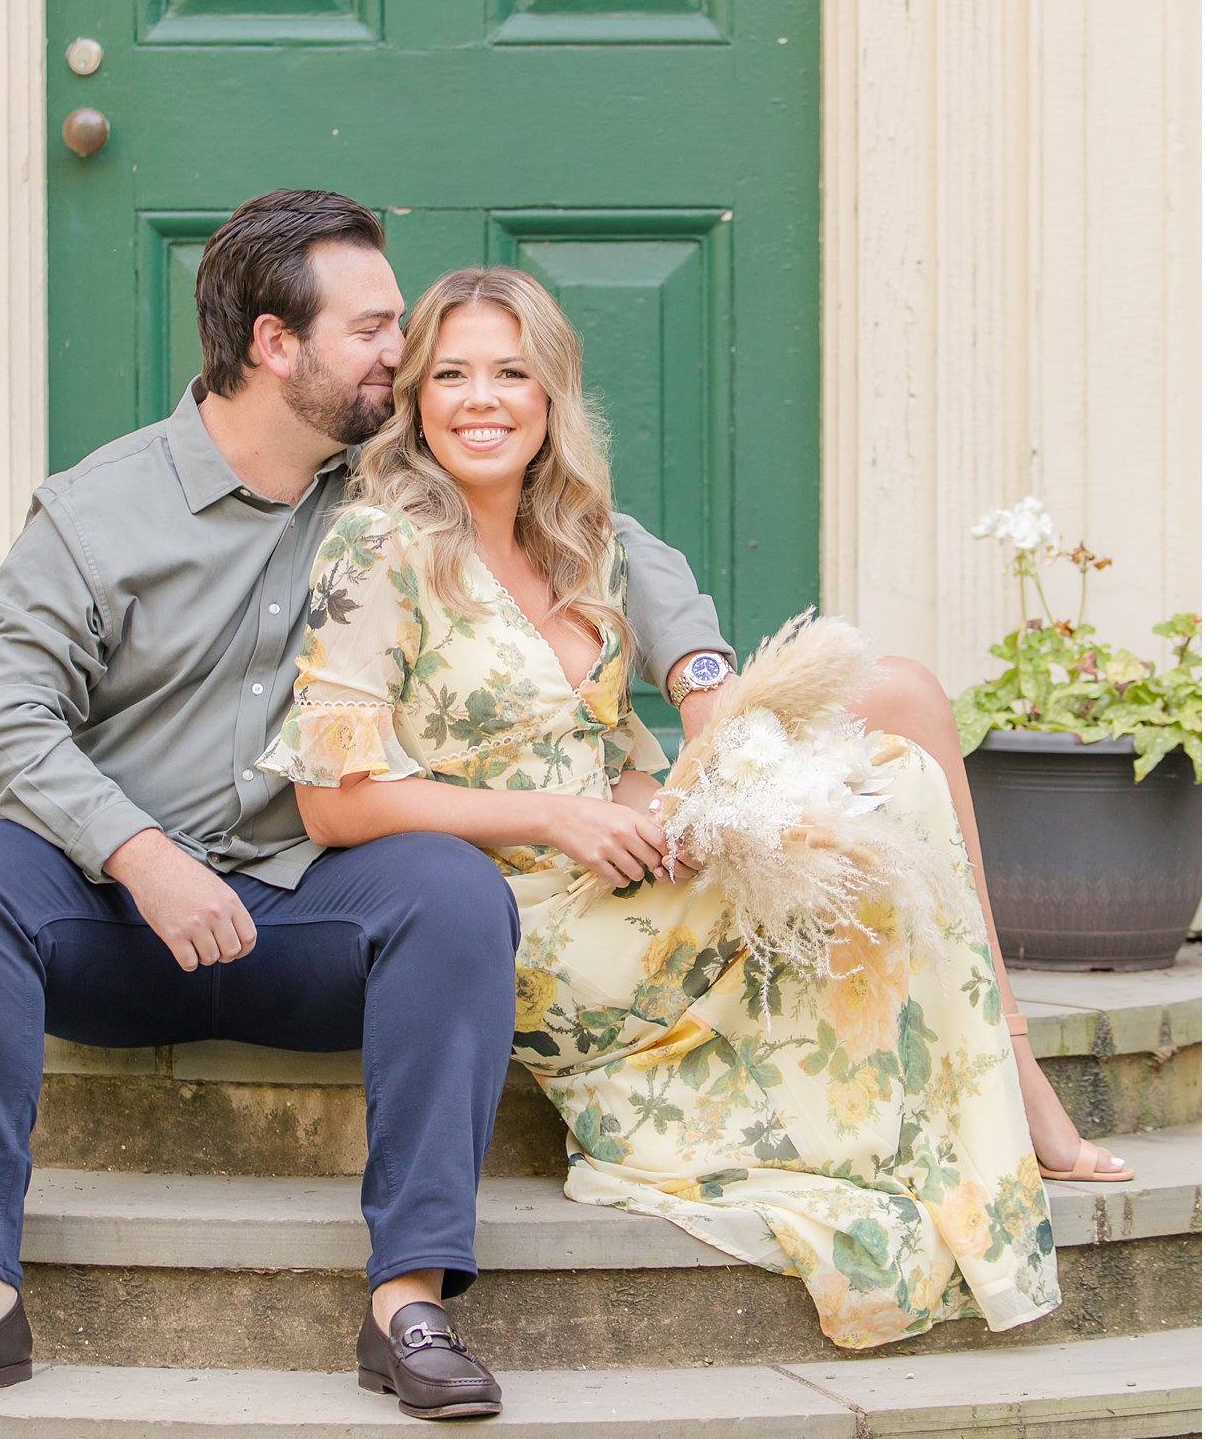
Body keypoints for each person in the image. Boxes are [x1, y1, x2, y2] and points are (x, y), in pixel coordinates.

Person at [0, 191, 734, 1422]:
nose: (404, 353)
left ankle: (408, 1302)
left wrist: (697, 674)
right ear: (277, 346)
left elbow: (600, 536)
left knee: (445, 889)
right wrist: (138, 852)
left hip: (312, 915)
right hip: (115, 919)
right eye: (374, 328)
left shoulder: (392, 489)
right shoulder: (96, 512)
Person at [261, 269, 1083, 1351]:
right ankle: (999, 1089)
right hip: (516, 925)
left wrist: (688, 744)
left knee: (893, 755)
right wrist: (557, 815)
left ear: (549, 397)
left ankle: (1001, 1069)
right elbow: (333, 805)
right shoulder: (376, 552)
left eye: (510, 373)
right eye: (449, 375)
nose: (480, 399)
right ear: (413, 401)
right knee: (889, 791)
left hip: (631, 864)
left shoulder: (580, 539)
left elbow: (683, 649)